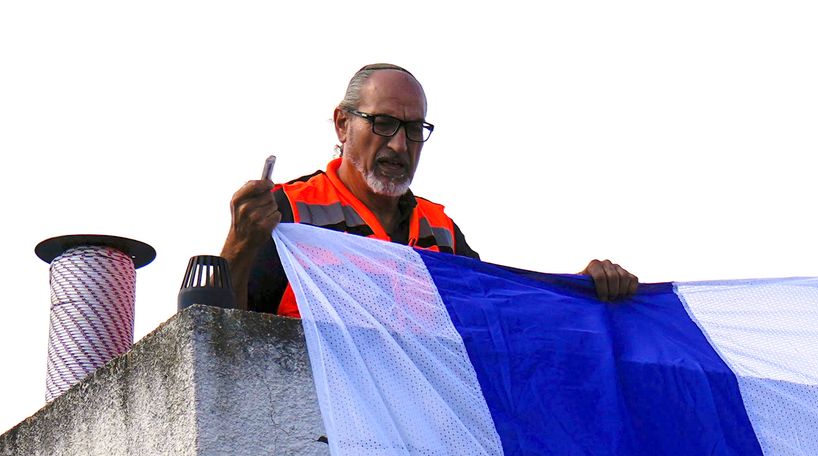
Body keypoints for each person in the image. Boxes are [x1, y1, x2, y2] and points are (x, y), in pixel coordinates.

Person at [220, 63, 639, 316]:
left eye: (414, 129)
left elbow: (502, 314)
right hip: (314, 437)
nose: (399, 146)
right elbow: (219, 340)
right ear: (342, 125)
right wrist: (239, 245)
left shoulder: (441, 229)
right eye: (383, 123)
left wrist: (582, 291)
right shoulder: (285, 210)